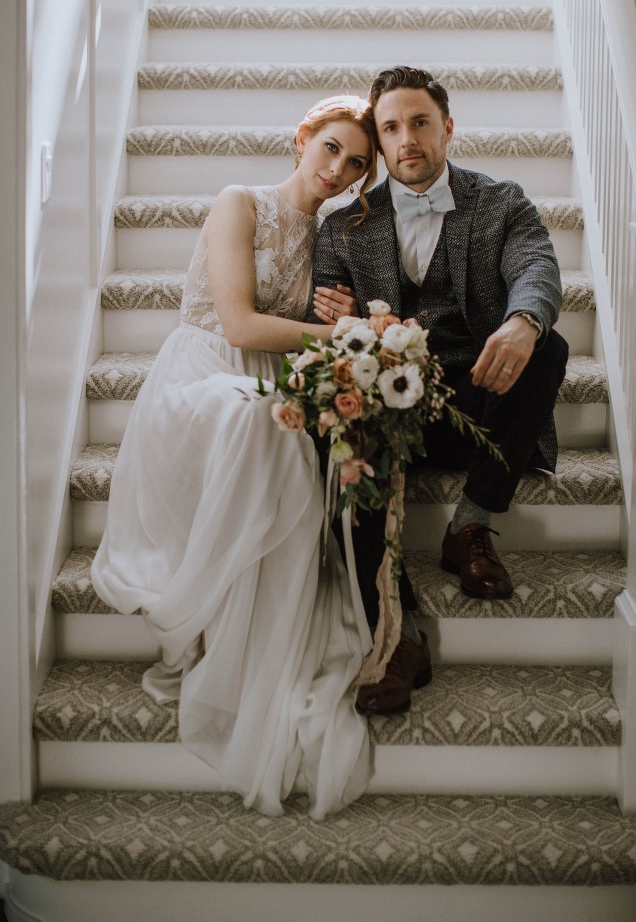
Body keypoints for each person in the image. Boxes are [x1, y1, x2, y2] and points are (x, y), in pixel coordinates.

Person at [91, 95, 380, 820]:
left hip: (270, 384)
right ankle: (195, 619)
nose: (338, 170)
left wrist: (336, 321)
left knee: (274, 423)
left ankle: (242, 636)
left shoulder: (338, 236)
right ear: (301, 139)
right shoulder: (239, 202)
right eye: (330, 149)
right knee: (255, 417)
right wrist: (342, 334)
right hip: (199, 375)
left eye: (355, 164)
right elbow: (240, 321)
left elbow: (307, 325)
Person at [308, 66, 569, 715]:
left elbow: (536, 266)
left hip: (479, 402)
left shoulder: (499, 202)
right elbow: (327, 322)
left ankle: (471, 526)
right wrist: (332, 316)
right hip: (389, 413)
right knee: (343, 410)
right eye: (390, 127)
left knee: (548, 345)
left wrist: (520, 321)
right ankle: (396, 633)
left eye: (419, 122)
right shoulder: (343, 224)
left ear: (446, 127)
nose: (406, 139)